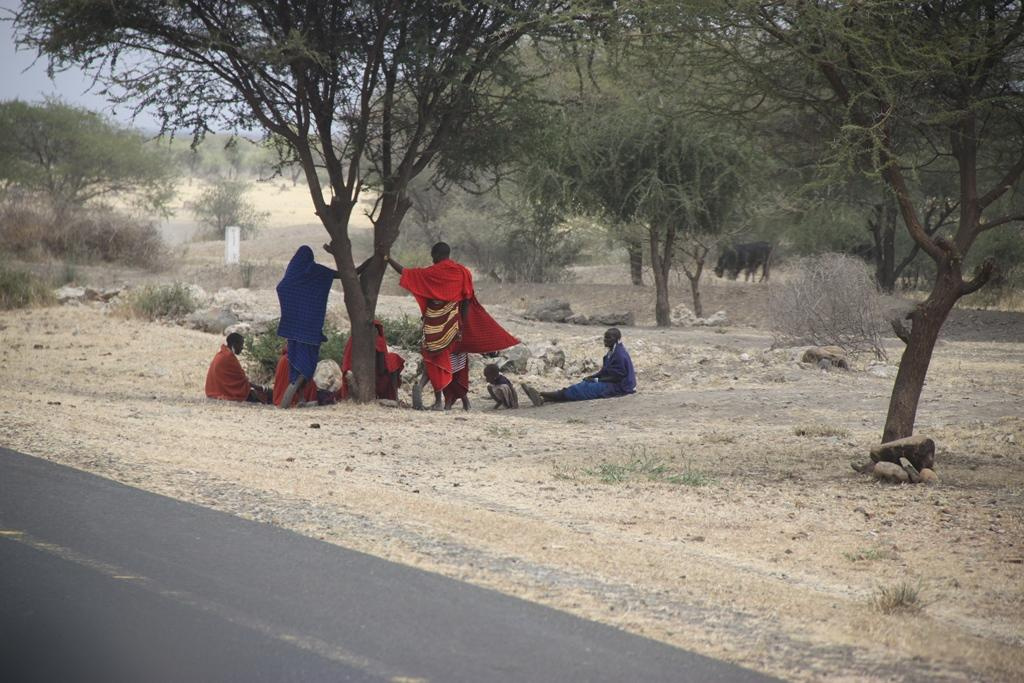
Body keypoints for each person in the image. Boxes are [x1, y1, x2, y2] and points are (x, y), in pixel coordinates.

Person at [387, 242, 518, 411]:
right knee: (457, 363)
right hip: (454, 326)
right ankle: (462, 402)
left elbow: (407, 273)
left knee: (435, 361)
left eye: (433, 256)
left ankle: (439, 401)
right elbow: (466, 300)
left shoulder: (432, 273)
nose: (432, 259)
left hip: (435, 328)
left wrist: (388, 258)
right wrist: (461, 325)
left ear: (436, 254)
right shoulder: (462, 272)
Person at [275, 246, 338, 409]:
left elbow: (281, 288)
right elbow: (336, 274)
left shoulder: (292, 277)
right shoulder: (314, 272)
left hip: (294, 331)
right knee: (305, 368)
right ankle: (287, 403)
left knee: (297, 366)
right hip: (309, 331)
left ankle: (300, 399)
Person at [521, 328, 636, 405]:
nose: (605, 340)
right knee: (583, 385)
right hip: (611, 383)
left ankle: (543, 394)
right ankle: (545, 398)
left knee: (584, 389)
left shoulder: (619, 355)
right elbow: (605, 372)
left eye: (609, 338)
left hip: (619, 387)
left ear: (617, 339)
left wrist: (596, 379)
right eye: (605, 338)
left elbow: (618, 376)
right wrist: (593, 377)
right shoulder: (613, 353)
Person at [340, 319, 406, 401]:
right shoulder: (378, 341)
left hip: (354, 380)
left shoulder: (353, 340)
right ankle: (394, 398)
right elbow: (382, 369)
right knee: (394, 359)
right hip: (374, 382)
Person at [205, 332, 270, 404]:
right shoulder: (228, 357)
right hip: (223, 391)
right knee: (267, 395)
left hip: (215, 390)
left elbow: (237, 379)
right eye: (241, 344)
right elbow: (242, 380)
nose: (242, 347)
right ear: (234, 344)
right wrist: (261, 388)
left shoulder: (222, 353)